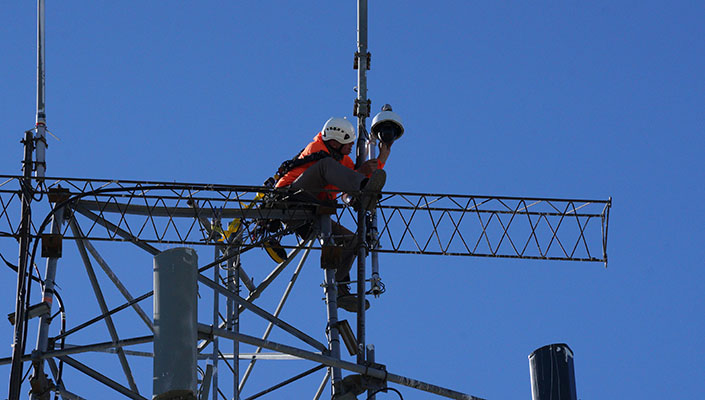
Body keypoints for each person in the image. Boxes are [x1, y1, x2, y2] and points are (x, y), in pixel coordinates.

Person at [275, 117, 391, 312]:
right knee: (327, 166)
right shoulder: (317, 150)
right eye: (348, 144)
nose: (351, 147)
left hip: (310, 213)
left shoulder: (341, 159)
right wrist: (361, 181)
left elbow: (349, 179)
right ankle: (364, 193)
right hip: (289, 201)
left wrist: (381, 159)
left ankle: (339, 289)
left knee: (354, 240)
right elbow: (336, 180)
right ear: (335, 142)